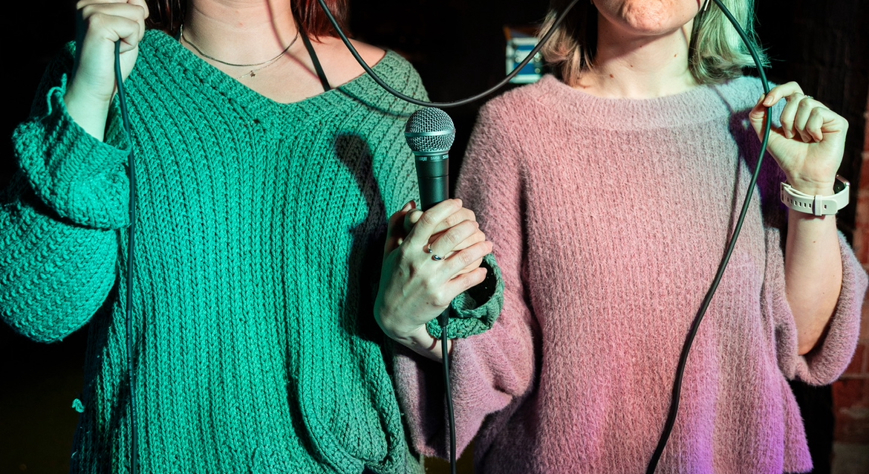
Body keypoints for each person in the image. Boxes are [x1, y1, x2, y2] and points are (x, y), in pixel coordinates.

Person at [0, 0, 500, 472]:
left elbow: (455, 322)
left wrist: (411, 323)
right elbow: (38, 306)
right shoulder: (101, 71)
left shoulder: (387, 92)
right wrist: (89, 96)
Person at [393, 0, 868, 473]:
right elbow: (496, 351)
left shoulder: (762, 120)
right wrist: (411, 322)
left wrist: (811, 189)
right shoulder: (515, 129)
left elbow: (805, 341)